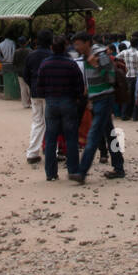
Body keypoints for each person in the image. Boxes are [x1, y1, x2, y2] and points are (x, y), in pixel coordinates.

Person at [38, 37, 88, 181]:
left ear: (52, 48)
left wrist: (46, 96)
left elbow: (39, 85)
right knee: (71, 137)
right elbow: (79, 85)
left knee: (51, 138)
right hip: (68, 102)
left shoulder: (45, 64)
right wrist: (77, 98)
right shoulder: (71, 64)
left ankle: (51, 173)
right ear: (65, 47)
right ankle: (73, 170)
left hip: (51, 103)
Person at [76, 33, 125, 180]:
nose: (76, 47)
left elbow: (110, 78)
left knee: (93, 135)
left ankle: (82, 171)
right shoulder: (86, 57)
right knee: (110, 134)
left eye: (78, 44)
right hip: (97, 99)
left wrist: (96, 65)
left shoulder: (100, 55)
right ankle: (119, 166)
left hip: (105, 98)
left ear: (87, 43)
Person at [22, 29, 52, 164]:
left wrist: (32, 85)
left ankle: (32, 153)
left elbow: (25, 75)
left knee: (37, 121)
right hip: (50, 93)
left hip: (35, 92)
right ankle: (53, 151)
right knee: (51, 122)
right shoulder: (52, 55)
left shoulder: (31, 55)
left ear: (36, 41)